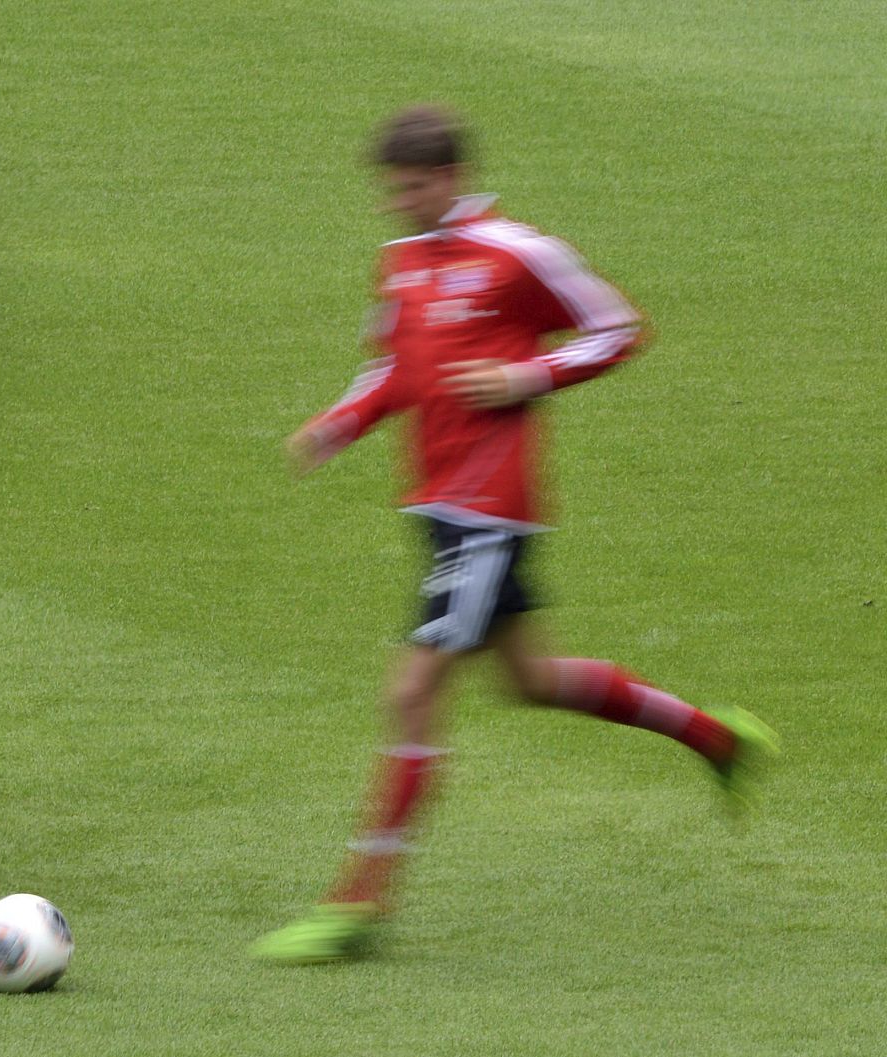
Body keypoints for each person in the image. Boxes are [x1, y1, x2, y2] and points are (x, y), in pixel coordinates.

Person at [252, 106, 778, 963]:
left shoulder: (518, 251)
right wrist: (337, 423)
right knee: (533, 678)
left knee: (413, 689)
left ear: (452, 176)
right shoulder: (403, 262)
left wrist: (523, 373)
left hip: (487, 506)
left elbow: (616, 326)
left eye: (416, 185)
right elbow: (394, 369)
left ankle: (358, 904)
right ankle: (715, 736)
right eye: (394, 188)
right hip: (438, 505)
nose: (402, 201)